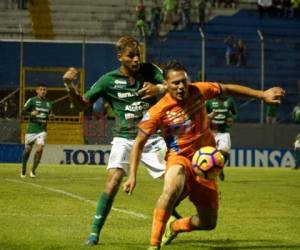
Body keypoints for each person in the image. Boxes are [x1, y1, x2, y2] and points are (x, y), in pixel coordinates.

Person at [123, 61, 285, 250]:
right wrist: (132, 175)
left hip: (205, 163)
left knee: (208, 223)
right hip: (179, 157)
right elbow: (138, 144)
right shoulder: (158, 110)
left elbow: (227, 89)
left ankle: (175, 226)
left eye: (183, 81)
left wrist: (262, 94)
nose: (181, 86)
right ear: (165, 85)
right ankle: (153, 245)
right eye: (175, 83)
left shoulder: (199, 90)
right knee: (170, 190)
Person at [62, 36, 169, 246]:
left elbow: (173, 86)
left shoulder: (150, 71)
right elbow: (83, 106)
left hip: (152, 138)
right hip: (124, 138)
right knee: (112, 183)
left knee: (174, 183)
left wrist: (159, 89)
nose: (136, 59)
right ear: (120, 57)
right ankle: (94, 234)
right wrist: (69, 86)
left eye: (138, 55)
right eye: (131, 56)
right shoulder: (107, 80)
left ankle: (172, 219)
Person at [21, 83, 53, 178]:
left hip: (42, 129)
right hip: (31, 129)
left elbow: (49, 114)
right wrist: (31, 113)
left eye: (45, 89)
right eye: (41, 89)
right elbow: (22, 112)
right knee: (27, 150)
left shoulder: (49, 103)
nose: (43, 91)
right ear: (37, 90)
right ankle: (23, 167)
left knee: (40, 149)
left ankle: (33, 170)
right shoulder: (32, 100)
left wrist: (51, 116)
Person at [206, 95, 238, 181]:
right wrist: (209, 117)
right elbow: (203, 115)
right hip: (211, 132)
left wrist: (231, 118)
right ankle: (208, 173)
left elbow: (235, 114)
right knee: (209, 154)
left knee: (224, 151)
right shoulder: (209, 102)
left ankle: (220, 168)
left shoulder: (229, 100)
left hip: (224, 131)